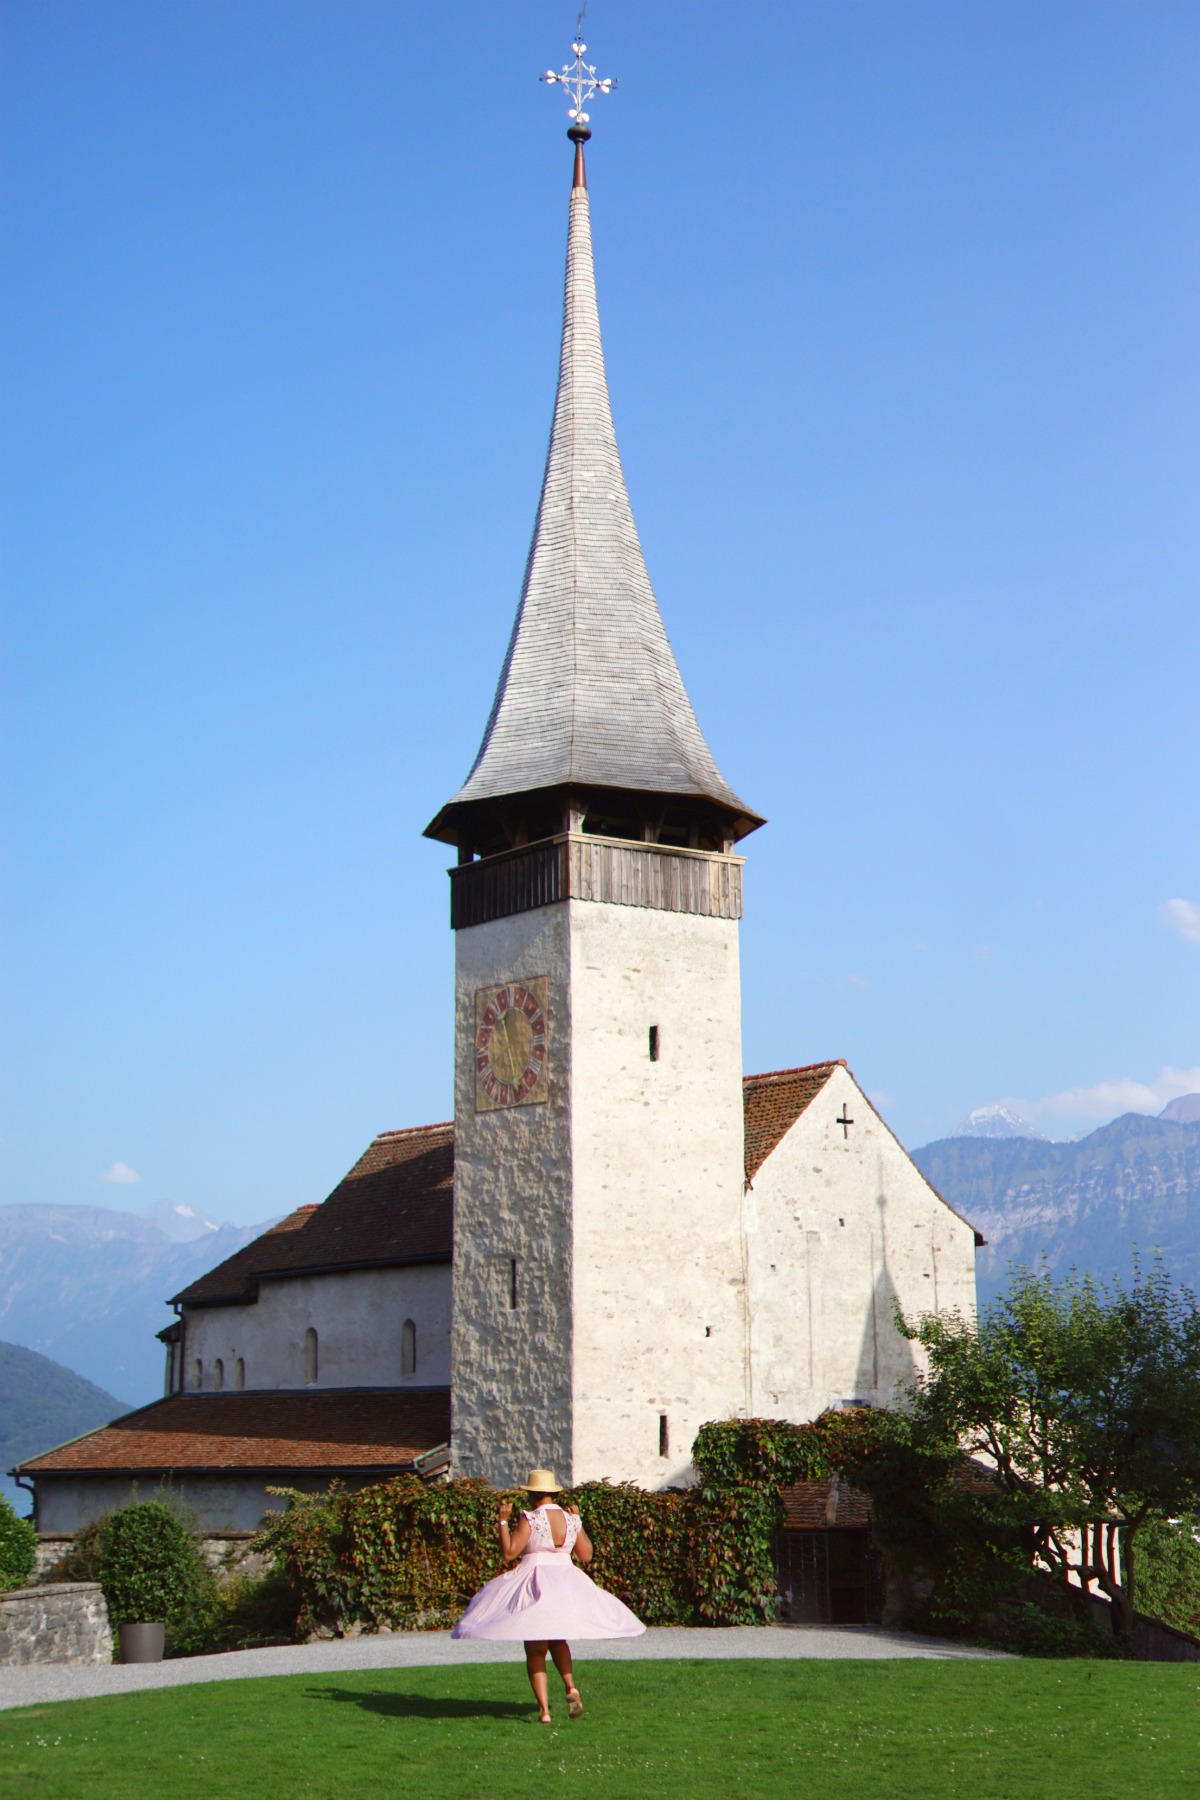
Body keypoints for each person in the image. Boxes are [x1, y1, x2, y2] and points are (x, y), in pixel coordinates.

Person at [451, 1465, 645, 1722]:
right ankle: (570, 1685)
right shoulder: (570, 1519)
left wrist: (502, 1521)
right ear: (552, 1493)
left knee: (535, 1650)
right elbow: (586, 1556)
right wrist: (579, 1522)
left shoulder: (531, 1518)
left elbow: (509, 1552)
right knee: (557, 1640)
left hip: (536, 1581)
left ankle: (544, 1711)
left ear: (532, 1494)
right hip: (566, 1583)